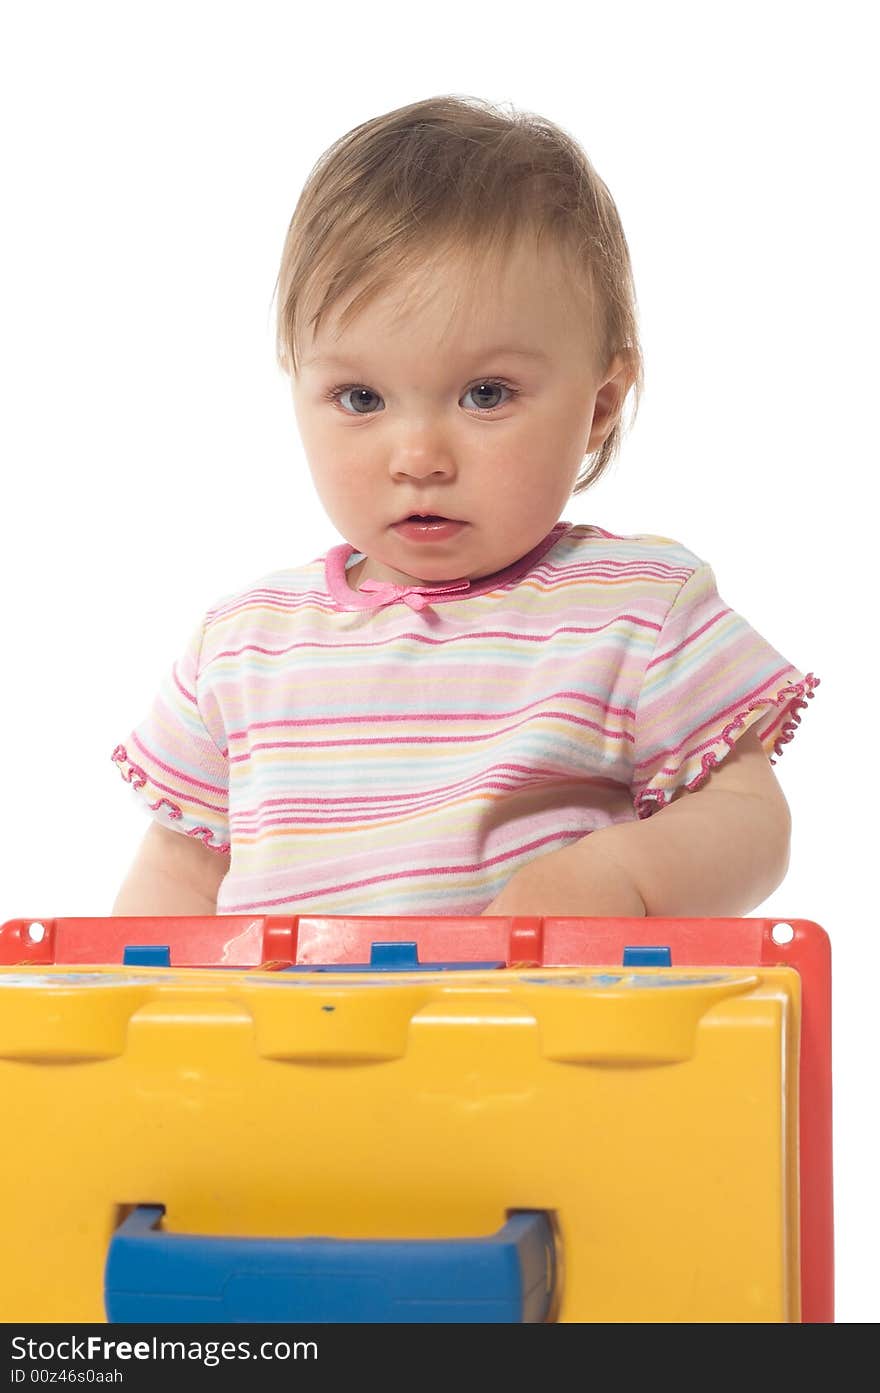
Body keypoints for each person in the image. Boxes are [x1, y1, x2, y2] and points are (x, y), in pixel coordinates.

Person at [111, 95, 817, 920]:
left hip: (539, 1042)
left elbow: (750, 820)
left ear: (597, 407)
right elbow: (174, 884)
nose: (418, 458)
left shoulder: (638, 610)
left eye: (486, 394)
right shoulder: (240, 648)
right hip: (278, 1047)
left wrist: (621, 876)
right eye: (360, 396)